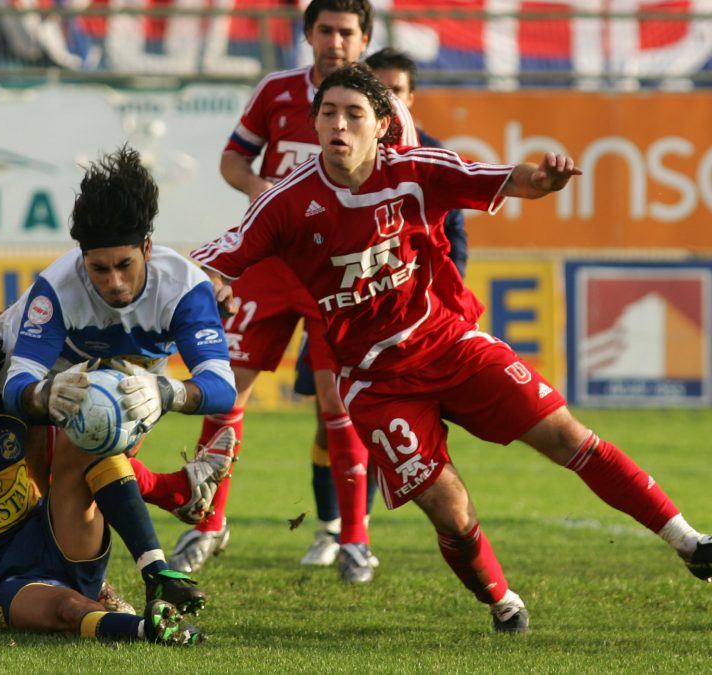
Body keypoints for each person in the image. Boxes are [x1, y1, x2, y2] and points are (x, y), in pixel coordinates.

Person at [190, 63, 712, 633]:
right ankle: (503, 602)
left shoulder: (416, 170)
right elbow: (218, 258)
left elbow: (509, 180)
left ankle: (690, 542)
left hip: (450, 345)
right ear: (314, 124)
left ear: (382, 124)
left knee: (568, 436)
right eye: (328, 113)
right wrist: (176, 281)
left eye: (353, 114)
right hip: (375, 381)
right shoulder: (288, 201)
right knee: (451, 512)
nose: (338, 124)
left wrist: (543, 181)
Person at [174, 0, 417, 582]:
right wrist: (267, 197)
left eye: (346, 32)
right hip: (273, 266)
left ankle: (354, 539)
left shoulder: (387, 111)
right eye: (325, 30)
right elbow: (233, 159)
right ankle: (208, 523)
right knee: (225, 391)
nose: (335, 41)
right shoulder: (278, 91)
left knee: (339, 406)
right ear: (309, 34)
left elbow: (407, 188)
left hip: (341, 274)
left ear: (364, 40)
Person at [0, 318, 204, 644]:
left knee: (90, 441)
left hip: (51, 537)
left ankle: (156, 574)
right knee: (68, 610)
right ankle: (151, 630)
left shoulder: (7, 407)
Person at [0, 144, 238, 596]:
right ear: (81, 258)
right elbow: (17, 382)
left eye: (125, 265)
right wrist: (42, 396)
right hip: (37, 372)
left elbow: (221, 386)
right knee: (39, 471)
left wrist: (167, 393)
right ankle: (164, 502)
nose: (113, 281)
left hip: (132, 384)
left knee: (81, 463)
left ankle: (83, 589)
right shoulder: (58, 286)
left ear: (147, 247)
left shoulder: (183, 286)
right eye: (99, 268)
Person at [365, 46, 468, 276]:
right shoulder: (347, 152)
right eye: (379, 90)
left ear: (410, 97)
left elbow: (452, 226)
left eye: (397, 90)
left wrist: (456, 276)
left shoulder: (432, 153)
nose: (388, 99)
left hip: (416, 286)